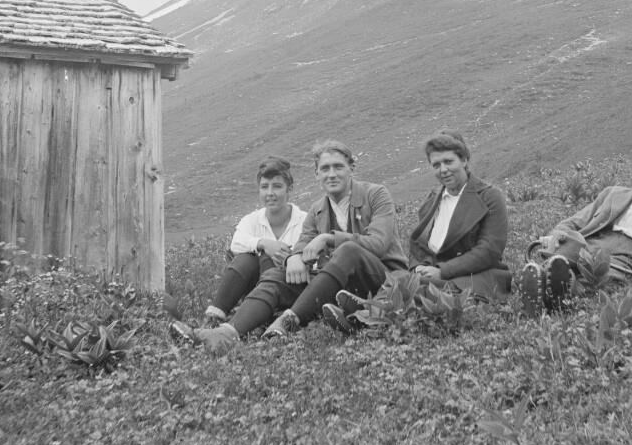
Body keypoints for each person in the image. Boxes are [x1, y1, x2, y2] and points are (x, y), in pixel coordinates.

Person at [187, 139, 408, 351]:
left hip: (382, 280)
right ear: (317, 174)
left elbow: (379, 243)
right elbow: (302, 242)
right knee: (277, 275)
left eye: (338, 167)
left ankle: (289, 321)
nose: (331, 174)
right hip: (341, 285)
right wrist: (293, 258)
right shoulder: (317, 209)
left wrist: (328, 238)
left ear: (351, 168)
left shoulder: (375, 194)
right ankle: (227, 332)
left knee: (348, 250)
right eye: (325, 168)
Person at [322, 129, 511, 334]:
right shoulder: (434, 198)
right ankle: (362, 316)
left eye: (449, 162)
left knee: (410, 287)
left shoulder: (489, 196)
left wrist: (443, 270)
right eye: (436, 165)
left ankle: (362, 317)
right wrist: (419, 266)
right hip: (437, 276)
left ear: (464, 160)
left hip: (475, 277)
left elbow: (489, 250)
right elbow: (419, 244)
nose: (443, 170)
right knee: (401, 279)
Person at [516, 142, 632, 317]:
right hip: (587, 247)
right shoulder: (613, 194)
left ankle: (551, 291)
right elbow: (575, 222)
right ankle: (555, 286)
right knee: (563, 262)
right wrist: (557, 235)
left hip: (624, 261)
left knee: (601, 279)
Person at [170, 157, 306, 343]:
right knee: (246, 259)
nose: (270, 193)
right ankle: (214, 318)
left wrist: (289, 258)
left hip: (287, 289)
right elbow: (236, 242)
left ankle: (261, 320)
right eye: (264, 187)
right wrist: (264, 243)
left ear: (289, 189)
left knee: (266, 259)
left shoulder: (304, 221)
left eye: (277, 186)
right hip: (257, 288)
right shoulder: (252, 220)